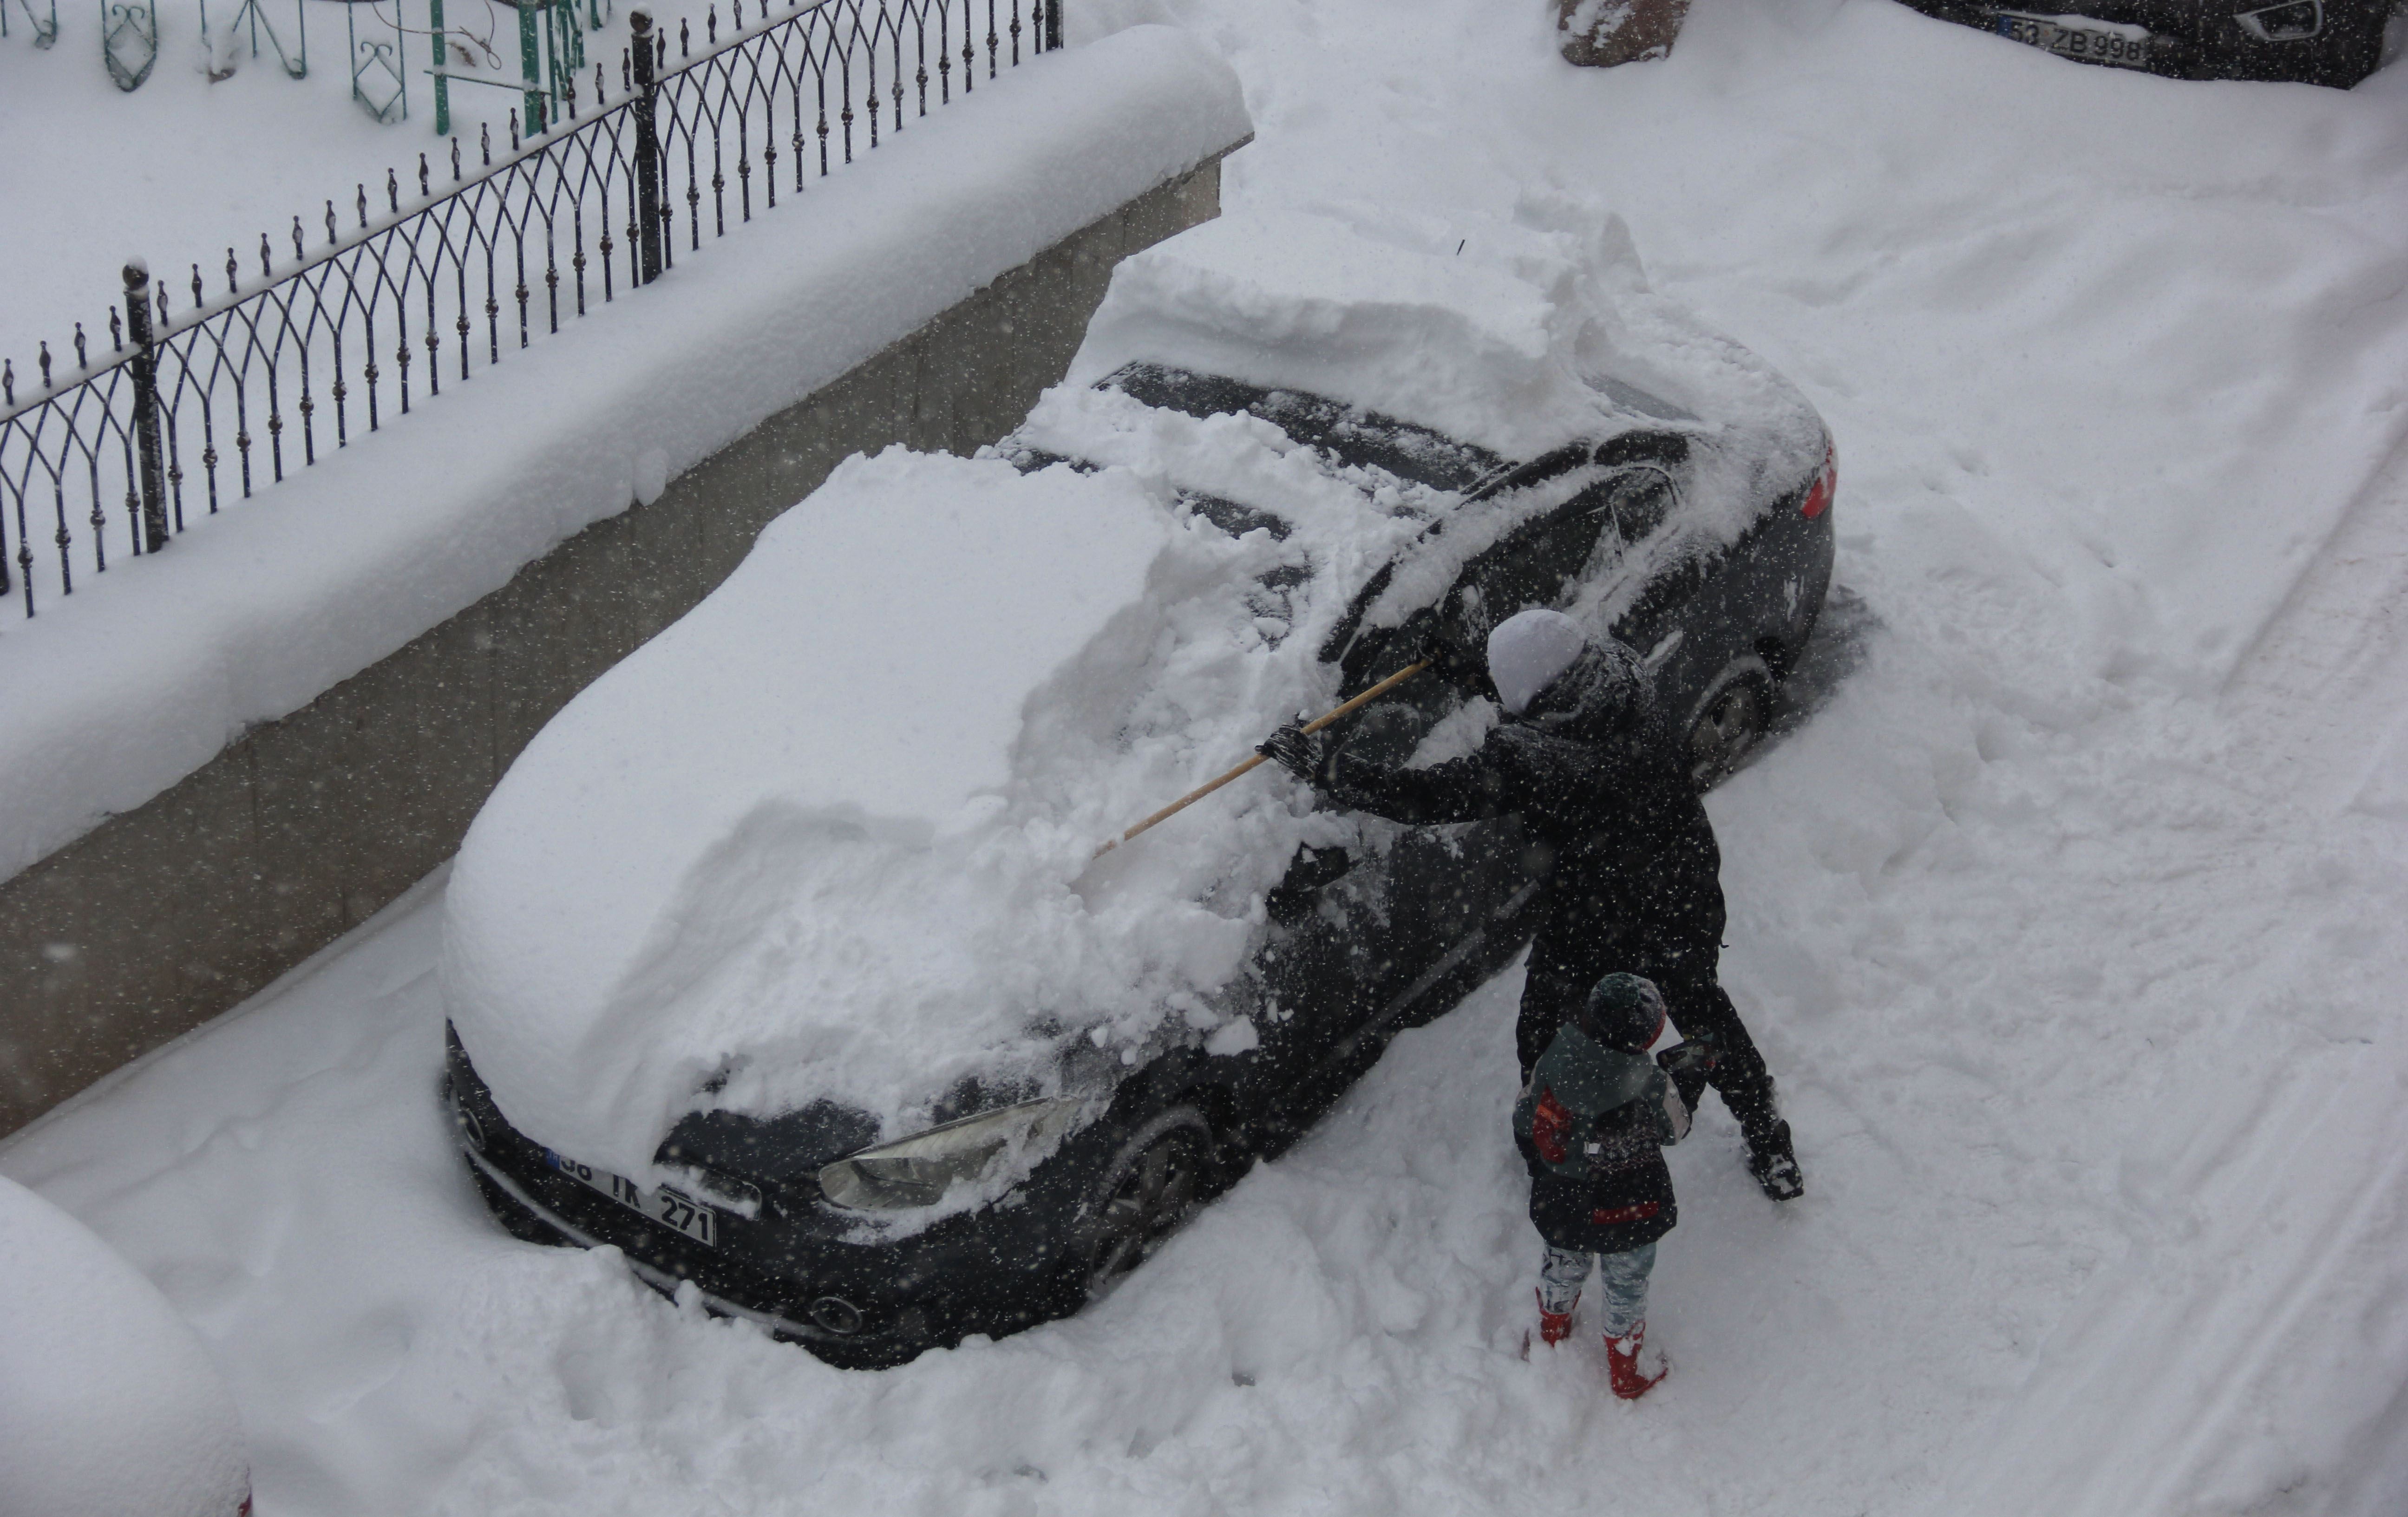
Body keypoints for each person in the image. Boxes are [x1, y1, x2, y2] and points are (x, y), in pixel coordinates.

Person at [1259, 606, 1803, 1199]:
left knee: (1544, 1025)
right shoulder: (1623, 686)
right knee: (1702, 1006)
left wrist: (1330, 769)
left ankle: (1552, 1128)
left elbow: (1428, 795)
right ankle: (1767, 1133)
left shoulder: (1538, 762)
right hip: (1682, 883)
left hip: (1599, 908)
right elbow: (1559, 706)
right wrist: (1472, 673)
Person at [1512, 972, 1703, 1396]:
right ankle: (1624, 1372)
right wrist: (1687, 1082)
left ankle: (1553, 1332)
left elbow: (1524, 1118)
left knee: (1562, 1264)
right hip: (1629, 1205)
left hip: (1564, 1200)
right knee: (1626, 1284)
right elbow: (1676, 1130)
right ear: (1646, 1037)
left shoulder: (1554, 1061)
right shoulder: (1650, 1082)